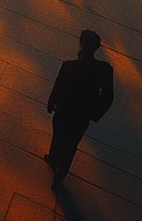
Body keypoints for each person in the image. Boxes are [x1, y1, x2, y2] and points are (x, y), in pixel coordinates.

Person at [44, 30, 114, 189]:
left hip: (64, 109)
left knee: (58, 135)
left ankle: (53, 157)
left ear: (81, 44)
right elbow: (108, 96)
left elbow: (58, 85)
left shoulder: (69, 66)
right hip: (82, 114)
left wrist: (51, 102)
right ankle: (60, 175)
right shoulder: (104, 69)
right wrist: (96, 113)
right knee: (71, 144)